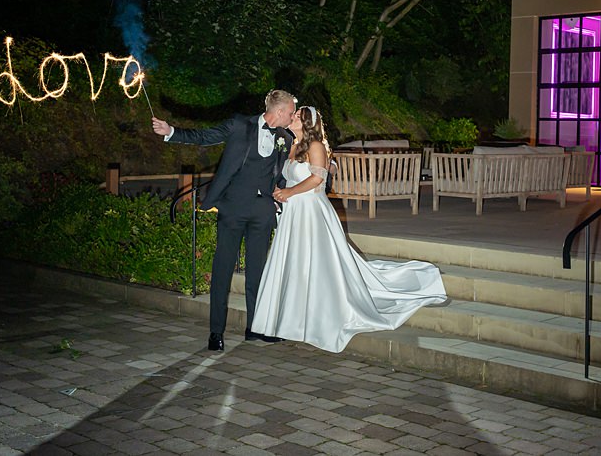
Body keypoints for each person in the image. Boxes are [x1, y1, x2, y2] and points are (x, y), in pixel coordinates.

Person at [251, 106, 447, 352]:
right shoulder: (291, 146)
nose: (292, 118)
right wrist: (280, 192)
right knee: (293, 264)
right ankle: (288, 318)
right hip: (293, 213)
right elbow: (287, 176)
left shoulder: (316, 147)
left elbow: (318, 178)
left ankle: (319, 317)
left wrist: (289, 191)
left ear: (308, 123)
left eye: (297, 116)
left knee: (317, 264)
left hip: (312, 213)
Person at [151, 89, 297, 352]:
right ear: (279, 111)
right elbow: (205, 136)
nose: (293, 116)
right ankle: (215, 331)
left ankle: (256, 327)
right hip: (232, 208)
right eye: (291, 112)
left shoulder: (286, 138)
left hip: (262, 212)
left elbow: (282, 174)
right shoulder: (240, 124)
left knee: (257, 272)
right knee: (222, 269)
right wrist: (171, 131)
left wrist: (281, 195)